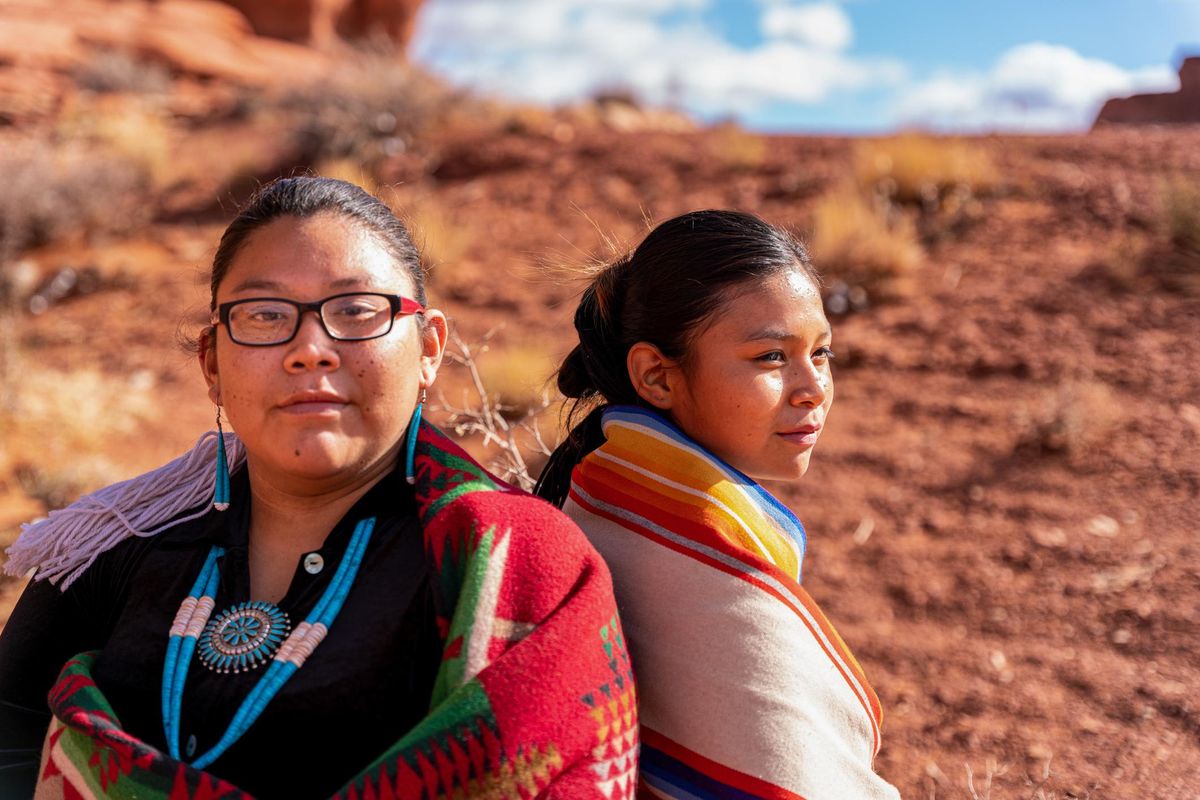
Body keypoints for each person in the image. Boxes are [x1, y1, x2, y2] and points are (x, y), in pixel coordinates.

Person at [0, 177, 638, 799]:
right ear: (212, 364)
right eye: (264, 313)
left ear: (429, 349)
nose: (311, 350)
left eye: (357, 310)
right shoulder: (115, 550)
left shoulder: (516, 565)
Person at [535, 210, 900, 799]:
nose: (813, 388)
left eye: (822, 353)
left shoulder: (603, 496)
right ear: (656, 377)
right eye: (772, 358)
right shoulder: (696, 557)